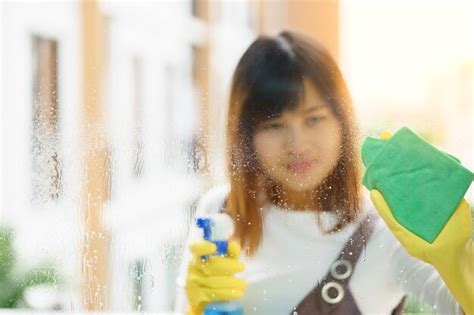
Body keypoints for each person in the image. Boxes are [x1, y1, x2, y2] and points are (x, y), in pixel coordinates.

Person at [174, 31, 469, 315]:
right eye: (273, 125)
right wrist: (193, 308)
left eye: (314, 119)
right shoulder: (221, 212)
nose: (297, 144)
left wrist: (459, 255)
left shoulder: (388, 232)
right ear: (247, 136)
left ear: (342, 121)